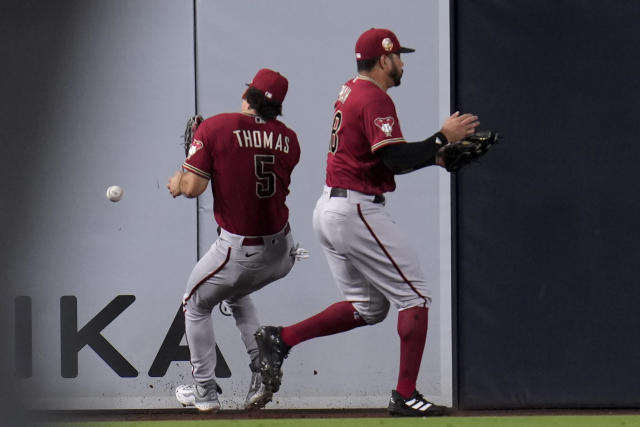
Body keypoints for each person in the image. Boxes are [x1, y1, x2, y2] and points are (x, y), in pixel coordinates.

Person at [254, 28, 479, 417]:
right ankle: (405, 396)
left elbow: (382, 158)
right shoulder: (374, 98)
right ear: (384, 58)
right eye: (399, 56)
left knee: (370, 306)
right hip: (355, 209)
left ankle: (281, 338)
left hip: (332, 207)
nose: (403, 63)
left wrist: (436, 157)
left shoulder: (351, 90)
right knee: (416, 297)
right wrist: (441, 138)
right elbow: (393, 161)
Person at [167, 68, 301, 412]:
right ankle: (261, 366)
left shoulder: (217, 126)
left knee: (194, 303)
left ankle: (205, 391)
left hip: (241, 249)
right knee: (238, 293)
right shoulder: (290, 139)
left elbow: (193, 188)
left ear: (248, 96)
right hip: (284, 251)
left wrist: (180, 175)